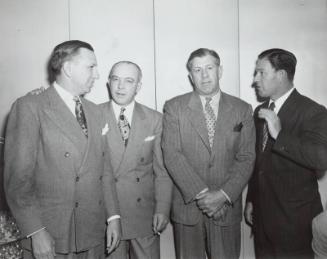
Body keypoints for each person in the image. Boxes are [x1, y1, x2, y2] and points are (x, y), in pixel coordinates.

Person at [4, 40, 121, 259]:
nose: (97, 75)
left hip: (93, 232)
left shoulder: (95, 112)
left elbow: (104, 170)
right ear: (68, 68)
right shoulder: (30, 107)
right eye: (91, 67)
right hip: (52, 236)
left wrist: (113, 217)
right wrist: (36, 232)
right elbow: (17, 181)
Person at [161, 48, 256, 259]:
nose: (204, 75)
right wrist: (206, 197)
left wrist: (222, 196)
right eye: (197, 70)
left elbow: (246, 158)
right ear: (190, 76)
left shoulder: (242, 109)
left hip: (226, 208)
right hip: (188, 211)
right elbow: (172, 154)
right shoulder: (174, 107)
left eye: (209, 68)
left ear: (220, 71)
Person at [245, 48, 327, 259]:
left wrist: (280, 135)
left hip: (295, 224)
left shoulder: (313, 111)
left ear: (281, 75)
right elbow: (259, 161)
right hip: (262, 220)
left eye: (261, 73)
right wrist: (252, 199)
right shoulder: (260, 111)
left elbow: (321, 158)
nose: (255, 79)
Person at [101, 61, 173, 259]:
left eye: (129, 81)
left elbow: (162, 171)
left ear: (138, 86)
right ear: (108, 83)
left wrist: (162, 208)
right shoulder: (94, 115)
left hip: (144, 215)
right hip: (106, 214)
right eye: (115, 79)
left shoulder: (154, 119)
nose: (121, 86)